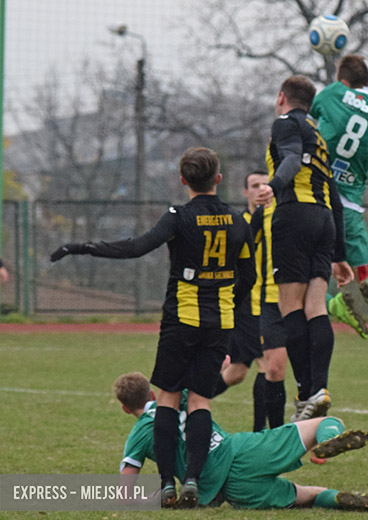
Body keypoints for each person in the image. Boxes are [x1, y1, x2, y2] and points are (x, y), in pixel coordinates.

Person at [51, 147, 256, 508]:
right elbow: (249, 276)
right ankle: (193, 477)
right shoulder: (239, 221)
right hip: (218, 322)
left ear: (183, 180)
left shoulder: (178, 217)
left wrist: (82, 247)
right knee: (200, 401)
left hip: (181, 321)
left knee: (166, 398)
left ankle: (167, 484)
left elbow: (136, 247)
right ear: (218, 180)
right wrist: (228, 309)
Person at [114, 372, 368, 511]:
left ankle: (334, 498)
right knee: (326, 422)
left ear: (126, 409)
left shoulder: (139, 434)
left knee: (301, 495)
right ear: (152, 394)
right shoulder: (185, 395)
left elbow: (125, 490)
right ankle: (329, 440)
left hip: (222, 490)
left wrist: (163, 498)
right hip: (240, 452)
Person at [256, 75, 353, 423]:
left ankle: (305, 393)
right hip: (323, 219)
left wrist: (273, 185)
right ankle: (320, 389)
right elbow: (336, 198)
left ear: (282, 97)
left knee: (290, 307)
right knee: (316, 308)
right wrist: (341, 254)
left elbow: (292, 158)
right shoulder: (319, 134)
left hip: (294, 217)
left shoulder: (283, 123)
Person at [310, 55, 368, 336]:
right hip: (349, 205)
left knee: (302, 277)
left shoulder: (333, 93)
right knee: (363, 258)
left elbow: (307, 129)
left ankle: (332, 304)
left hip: (314, 199)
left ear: (342, 79)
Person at [213, 171, 287, 433]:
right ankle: (261, 432)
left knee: (237, 372)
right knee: (264, 365)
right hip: (246, 306)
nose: (261, 190)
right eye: (254, 186)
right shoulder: (240, 222)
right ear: (245, 192)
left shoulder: (276, 220)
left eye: (265, 184)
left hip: (270, 302)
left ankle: (191, 401)